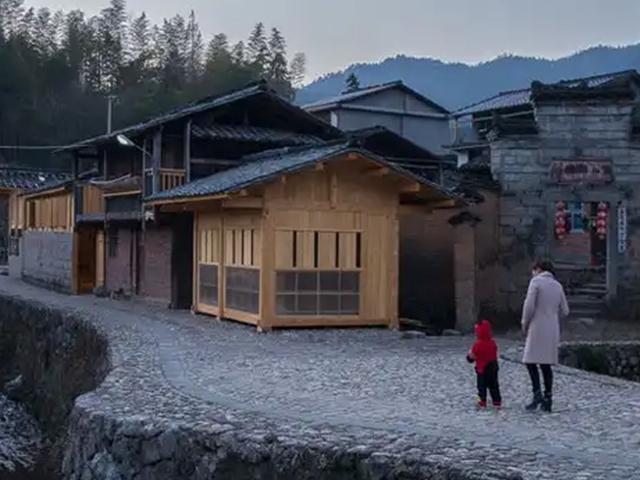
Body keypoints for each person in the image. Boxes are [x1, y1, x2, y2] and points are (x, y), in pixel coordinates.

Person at [521, 260, 570, 412]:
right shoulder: (557, 285)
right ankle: (548, 397)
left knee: (530, 361)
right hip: (552, 327)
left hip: (537, 325)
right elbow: (565, 310)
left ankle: (537, 394)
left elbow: (529, 306)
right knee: (545, 363)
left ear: (538, 269)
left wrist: (524, 322)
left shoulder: (536, 282)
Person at [467, 319, 502, 409]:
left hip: (482, 370)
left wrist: (469, 356)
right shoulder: (493, 343)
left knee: (481, 388)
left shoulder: (477, 345)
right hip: (493, 367)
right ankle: (497, 402)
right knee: (494, 386)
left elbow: (472, 357)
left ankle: (482, 401)